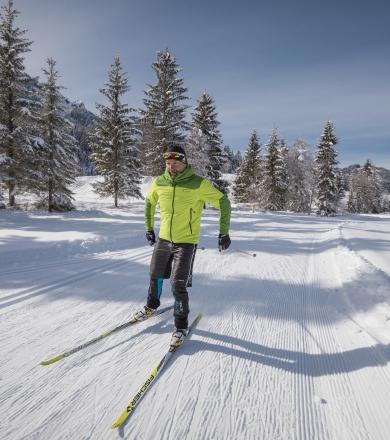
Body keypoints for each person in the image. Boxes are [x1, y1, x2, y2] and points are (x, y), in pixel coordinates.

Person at [132, 145, 231, 347]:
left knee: (178, 284)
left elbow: (223, 202)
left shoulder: (198, 184)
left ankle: (180, 326)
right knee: (155, 275)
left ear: (184, 162)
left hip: (186, 242)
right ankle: (151, 306)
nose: (171, 167)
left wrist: (224, 232)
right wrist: (149, 227)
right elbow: (149, 202)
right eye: (168, 163)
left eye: (175, 163)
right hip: (163, 239)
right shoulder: (160, 182)